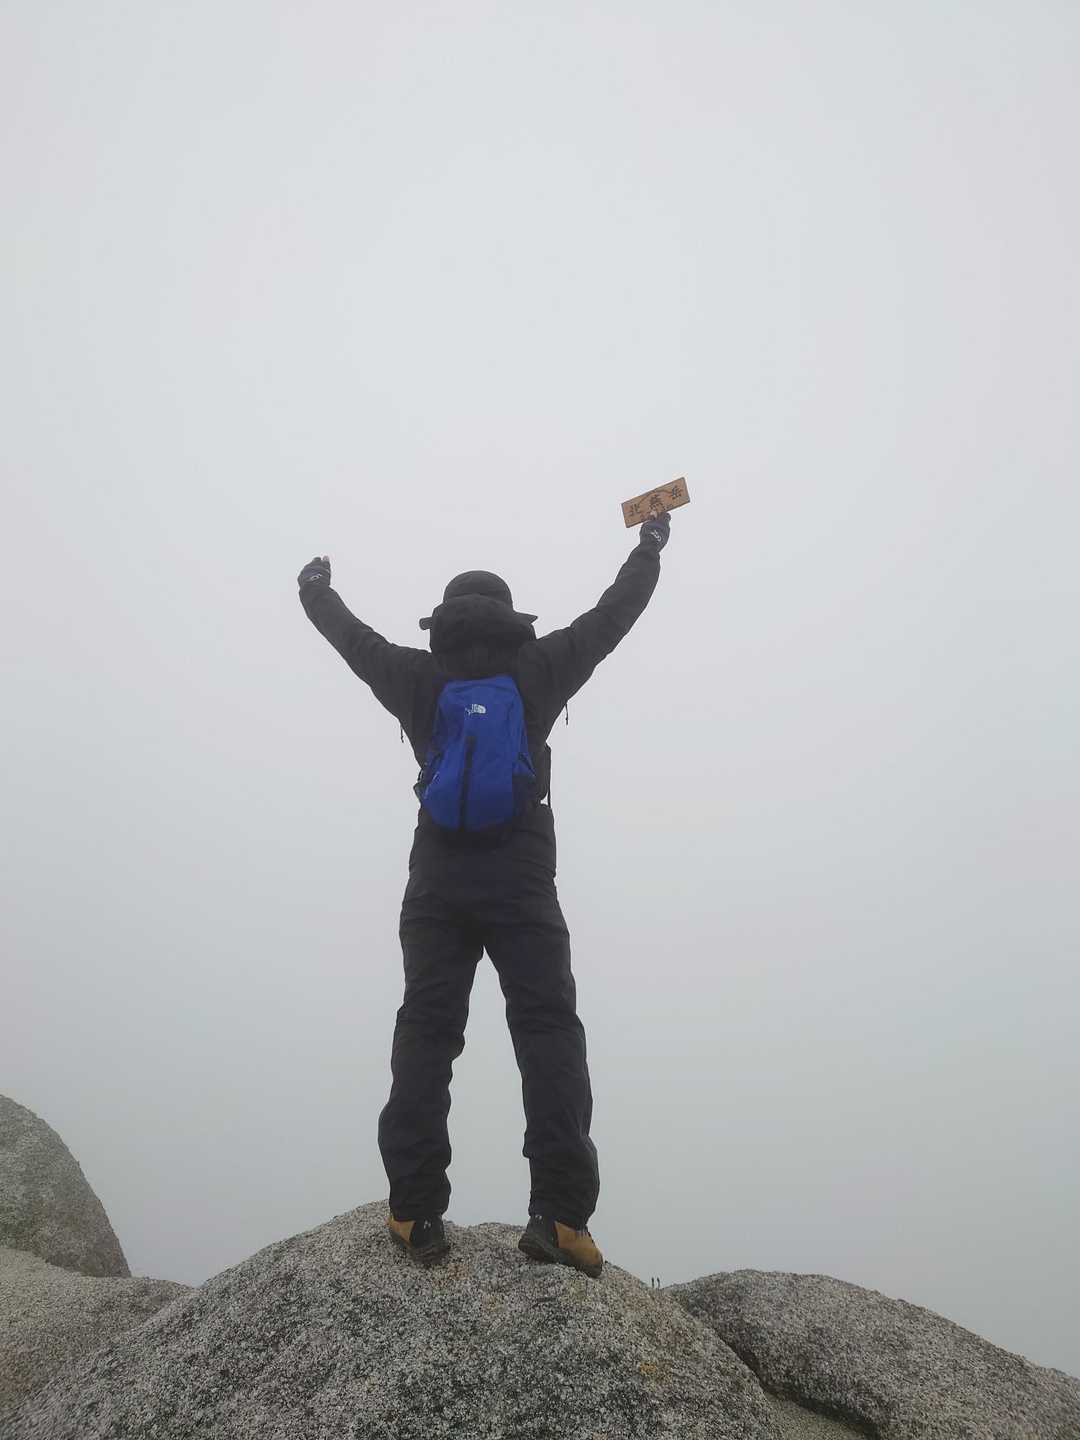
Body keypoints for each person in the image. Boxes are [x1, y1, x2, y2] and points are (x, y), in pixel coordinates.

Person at [297, 508, 671, 1278]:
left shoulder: (417, 675)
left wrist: (315, 589)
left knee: (427, 1030)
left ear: (443, 618)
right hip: (522, 875)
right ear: (510, 615)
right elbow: (613, 616)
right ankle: (560, 1217)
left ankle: (413, 1210)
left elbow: (351, 639)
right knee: (547, 1030)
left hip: (437, 877)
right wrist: (650, 546)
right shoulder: (538, 667)